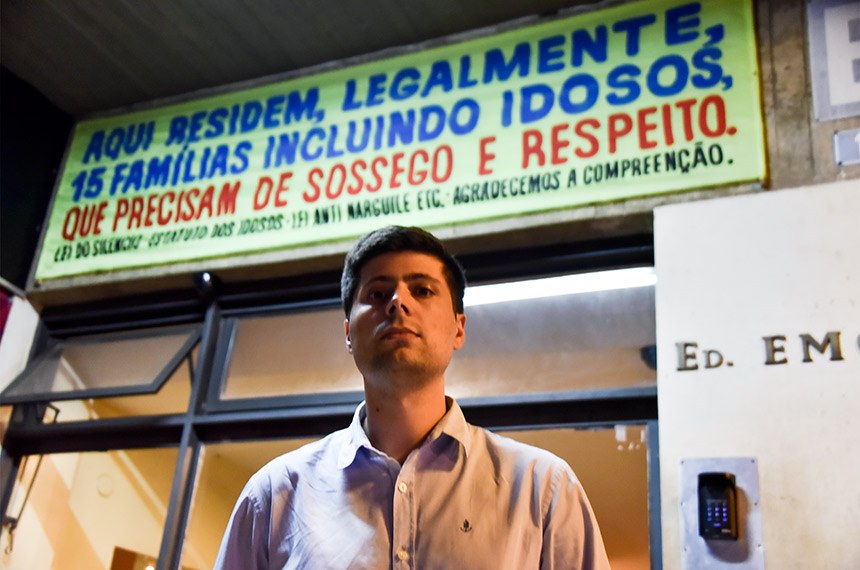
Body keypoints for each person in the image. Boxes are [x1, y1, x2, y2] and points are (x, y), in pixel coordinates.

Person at [214, 225, 610, 569]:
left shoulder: (542, 489)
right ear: (349, 333)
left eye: (422, 290)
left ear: (458, 328)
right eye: (377, 292)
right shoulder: (273, 497)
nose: (397, 302)